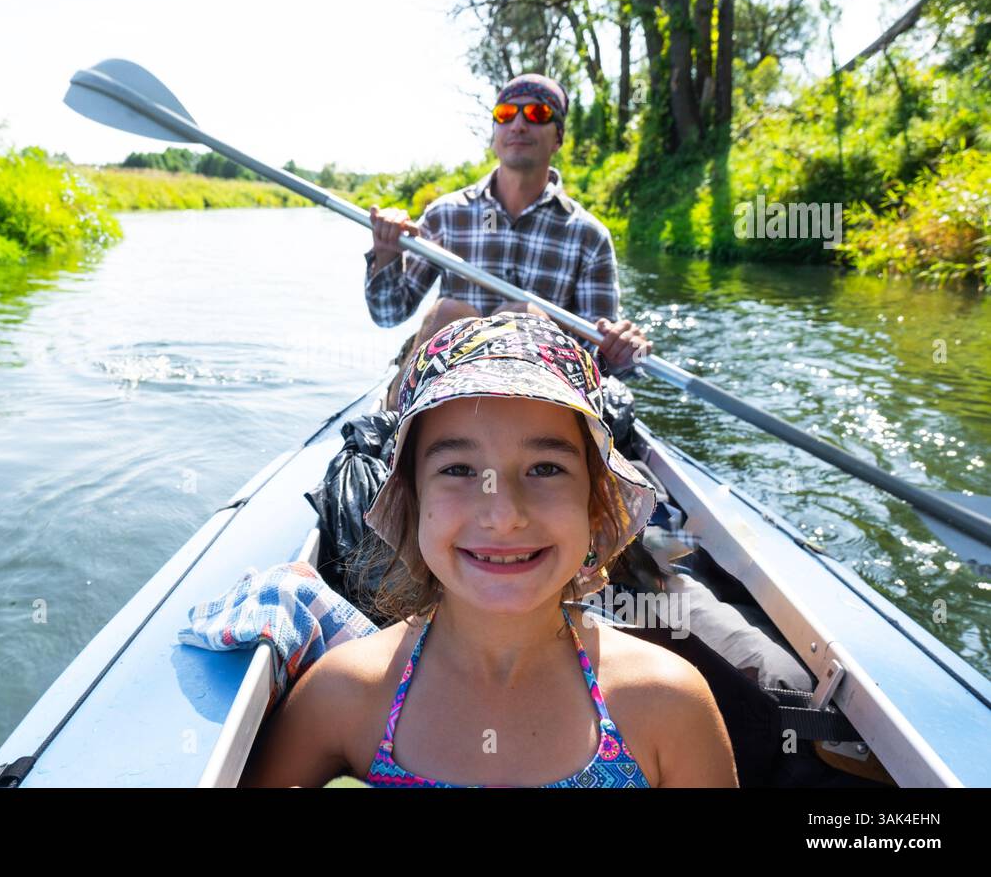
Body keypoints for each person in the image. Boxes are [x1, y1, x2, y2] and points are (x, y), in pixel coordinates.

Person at [238, 313, 738, 788]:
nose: (503, 514)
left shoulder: (666, 702)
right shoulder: (344, 697)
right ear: (413, 504)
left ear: (595, 502)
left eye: (545, 468)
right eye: (458, 470)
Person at [364, 72, 652, 408]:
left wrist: (620, 352)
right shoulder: (445, 215)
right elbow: (388, 314)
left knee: (523, 313)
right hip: (444, 392)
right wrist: (385, 254)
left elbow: (598, 362)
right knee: (450, 312)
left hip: (538, 398)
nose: (518, 124)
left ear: (557, 137)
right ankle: (400, 428)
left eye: (537, 114)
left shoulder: (589, 236)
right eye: (505, 114)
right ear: (495, 134)